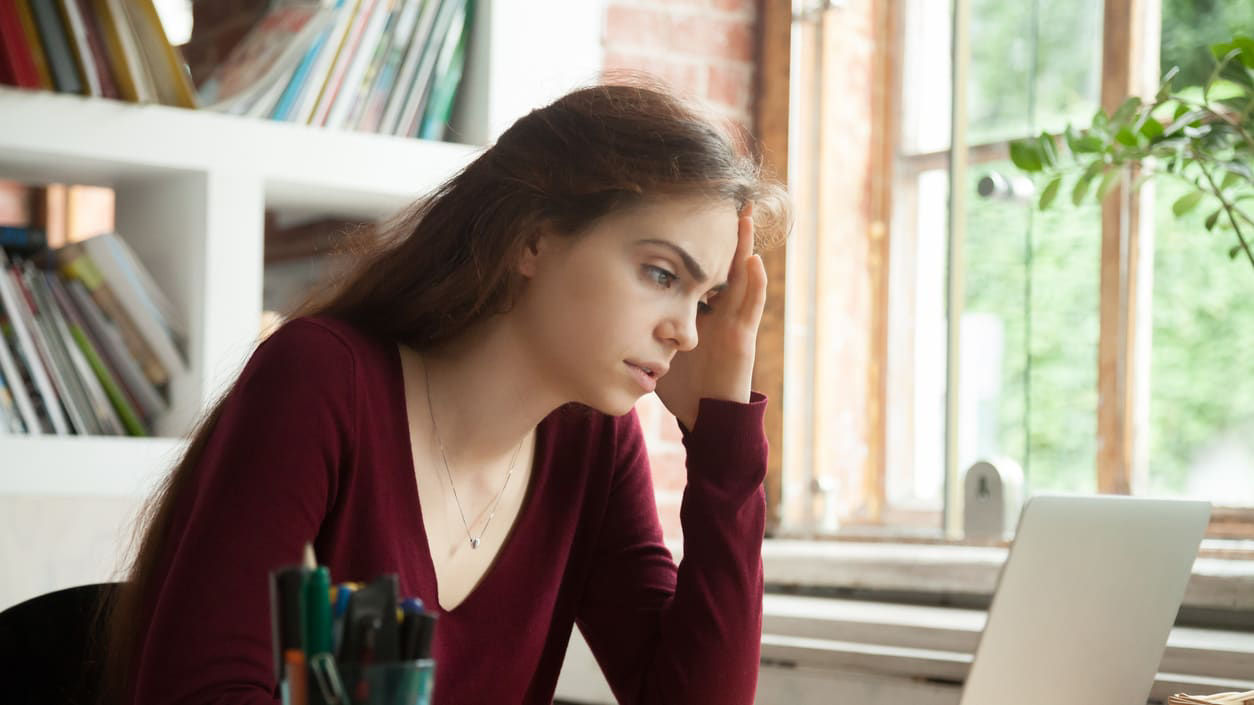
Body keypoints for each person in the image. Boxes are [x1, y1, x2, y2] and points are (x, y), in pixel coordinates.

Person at [100, 75, 791, 705]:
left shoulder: (595, 450)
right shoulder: (320, 380)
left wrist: (723, 432)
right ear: (533, 239)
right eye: (663, 274)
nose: (686, 333)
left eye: (706, 299)